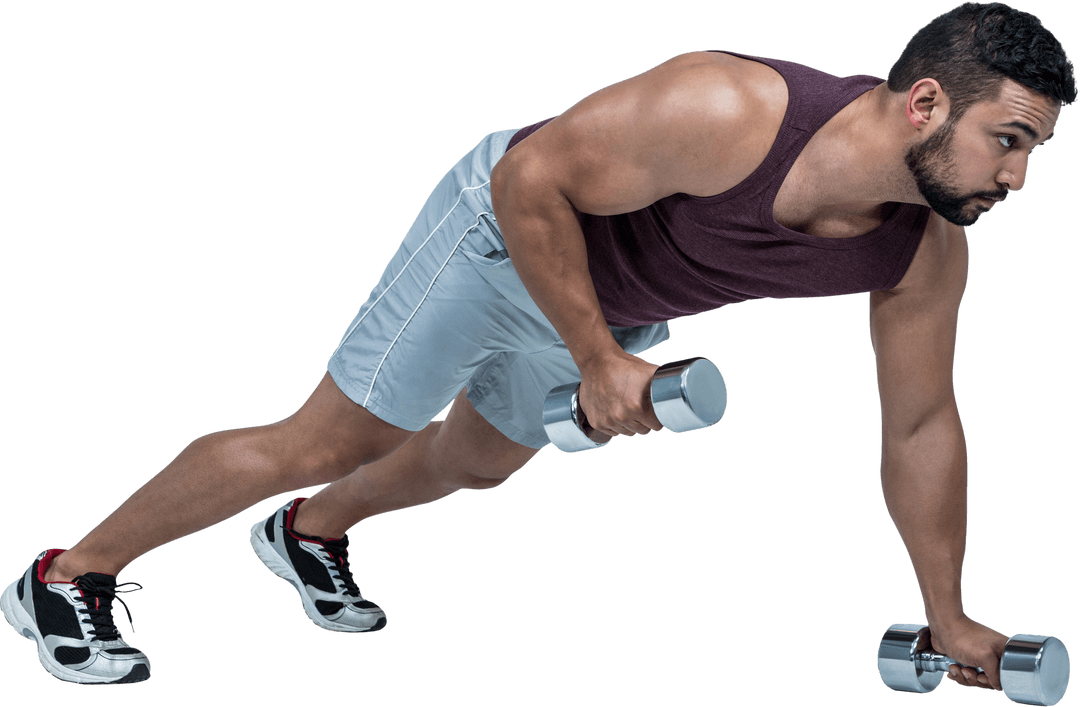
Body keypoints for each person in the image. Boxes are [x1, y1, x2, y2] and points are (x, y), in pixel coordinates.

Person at [1, 0, 1073, 690]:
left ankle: (305, 534)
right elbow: (532, 182)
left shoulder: (922, 252)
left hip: (622, 311)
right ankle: (66, 572)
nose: (1016, 177)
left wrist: (950, 616)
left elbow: (922, 425)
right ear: (927, 103)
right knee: (334, 434)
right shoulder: (729, 106)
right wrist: (602, 362)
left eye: (1035, 152)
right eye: (1009, 140)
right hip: (502, 237)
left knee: (475, 462)